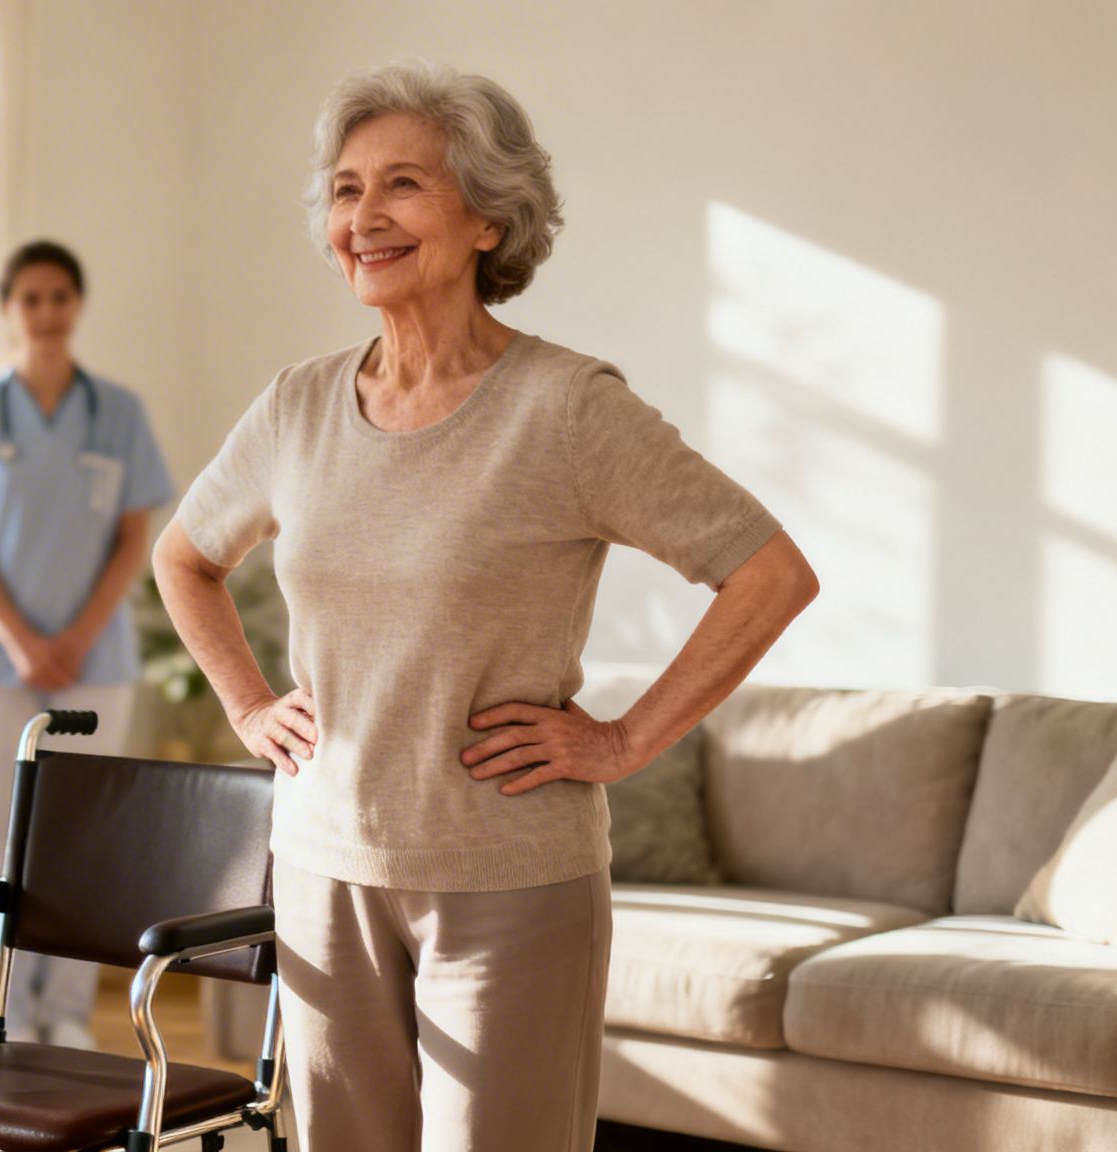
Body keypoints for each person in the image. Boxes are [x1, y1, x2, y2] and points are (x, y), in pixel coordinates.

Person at [152, 62, 819, 1151]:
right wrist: (245, 707)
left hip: (509, 881)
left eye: (402, 185)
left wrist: (624, 738)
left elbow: (768, 573)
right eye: (342, 189)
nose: (361, 217)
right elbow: (182, 559)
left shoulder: (565, 409)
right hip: (324, 864)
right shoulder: (295, 407)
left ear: (487, 218)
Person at [0, 239, 175, 1050]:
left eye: (58, 295)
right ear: (9, 310)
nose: (45, 311)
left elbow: (136, 539)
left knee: (85, 836)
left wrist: (74, 636)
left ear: (78, 304)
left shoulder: (119, 414)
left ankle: (67, 1011)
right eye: (29, 298)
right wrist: (25, 640)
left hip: (94, 658)